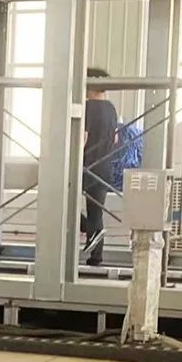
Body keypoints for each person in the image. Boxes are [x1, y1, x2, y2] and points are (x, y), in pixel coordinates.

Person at [82, 67, 119, 266]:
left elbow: (82, 138)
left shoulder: (88, 107)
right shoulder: (111, 109)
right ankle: (96, 257)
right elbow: (115, 139)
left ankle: (88, 228)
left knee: (60, 202)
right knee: (96, 212)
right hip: (104, 167)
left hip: (86, 166)